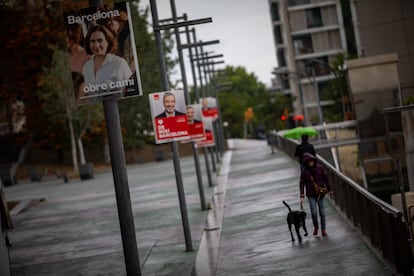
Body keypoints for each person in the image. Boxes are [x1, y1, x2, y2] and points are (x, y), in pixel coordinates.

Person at [82, 24, 132, 94]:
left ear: (108, 41)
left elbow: (131, 89)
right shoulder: (86, 67)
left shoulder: (120, 63)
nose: (96, 45)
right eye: (92, 41)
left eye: (100, 40)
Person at [300, 152, 333, 236]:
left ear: (314, 161)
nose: (311, 162)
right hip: (310, 194)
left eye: (312, 160)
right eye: (309, 161)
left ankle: (323, 230)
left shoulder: (320, 168)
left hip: (320, 193)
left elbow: (326, 179)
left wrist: (330, 190)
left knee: (322, 212)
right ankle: (316, 226)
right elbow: (301, 183)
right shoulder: (304, 171)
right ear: (306, 162)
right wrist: (302, 194)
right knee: (314, 212)